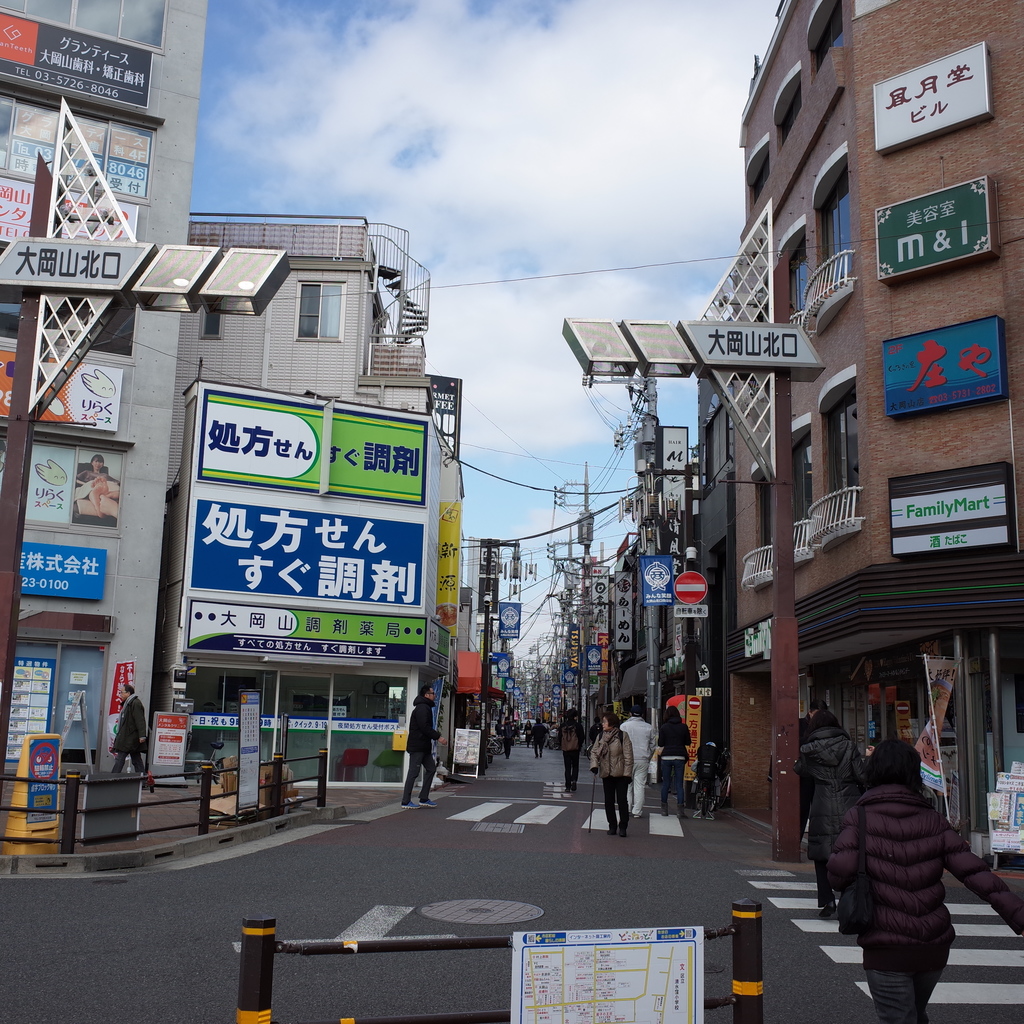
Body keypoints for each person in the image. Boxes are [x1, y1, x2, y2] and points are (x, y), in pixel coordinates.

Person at [829, 738, 1024, 1024]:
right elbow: (975, 873)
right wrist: (1019, 916)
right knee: (915, 1015)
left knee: (898, 1017)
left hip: (885, 946)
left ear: (873, 771)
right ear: (913, 773)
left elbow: (838, 873)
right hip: (932, 946)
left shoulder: (859, 818)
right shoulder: (933, 819)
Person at [795, 708, 865, 917]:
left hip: (821, 804)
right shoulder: (849, 746)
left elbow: (801, 771)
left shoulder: (809, 749)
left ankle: (827, 901)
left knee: (821, 854)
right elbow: (861, 775)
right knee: (850, 852)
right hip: (848, 803)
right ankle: (847, 897)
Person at [401, 683, 448, 808]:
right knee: (413, 772)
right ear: (426, 695)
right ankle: (406, 801)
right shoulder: (422, 708)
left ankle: (424, 797)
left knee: (431, 769)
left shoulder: (425, 707)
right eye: (433, 693)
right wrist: (439, 737)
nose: (435, 695)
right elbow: (424, 727)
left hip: (424, 746)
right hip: (417, 746)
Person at [589, 712, 634, 837]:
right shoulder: (600, 736)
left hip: (620, 774)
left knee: (622, 801)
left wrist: (627, 774)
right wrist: (594, 766)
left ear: (612, 722)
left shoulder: (622, 736)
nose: (602, 724)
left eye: (605, 722)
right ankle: (612, 825)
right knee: (608, 801)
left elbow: (628, 756)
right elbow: (594, 752)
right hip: (606, 773)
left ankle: (623, 825)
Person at [620, 704, 655, 818]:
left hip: (626, 759)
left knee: (627, 785)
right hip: (643, 759)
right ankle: (637, 811)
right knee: (639, 785)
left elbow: (619, 743)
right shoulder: (649, 727)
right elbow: (653, 745)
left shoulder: (624, 726)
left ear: (630, 713)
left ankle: (627, 808)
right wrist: (648, 756)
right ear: (642, 714)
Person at [658, 704, 692, 817]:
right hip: (680, 756)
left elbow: (660, 743)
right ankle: (680, 811)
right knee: (679, 784)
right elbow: (688, 742)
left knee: (666, 784)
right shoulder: (683, 726)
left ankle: (664, 809)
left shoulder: (664, 727)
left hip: (666, 756)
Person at [799, 699, 826, 838]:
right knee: (802, 808)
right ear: (809, 712)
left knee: (819, 810)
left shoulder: (826, 727)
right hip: (805, 775)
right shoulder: (799, 725)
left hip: (821, 774)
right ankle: (797, 839)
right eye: (816, 714)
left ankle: (816, 841)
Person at [109, 682, 147, 773]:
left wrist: (142, 735)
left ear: (128, 693)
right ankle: (142, 779)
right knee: (136, 759)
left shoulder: (135, 703)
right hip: (130, 736)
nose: (120, 694)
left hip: (130, 736)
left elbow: (140, 720)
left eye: (122, 692)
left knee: (120, 758)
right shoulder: (128, 703)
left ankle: (112, 778)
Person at [557, 708, 586, 792]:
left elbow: (559, 737)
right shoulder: (578, 725)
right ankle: (574, 780)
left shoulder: (563, 725)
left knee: (567, 767)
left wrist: (562, 744)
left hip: (566, 749)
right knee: (575, 766)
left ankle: (568, 786)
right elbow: (581, 737)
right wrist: (579, 745)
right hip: (575, 749)